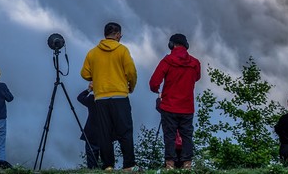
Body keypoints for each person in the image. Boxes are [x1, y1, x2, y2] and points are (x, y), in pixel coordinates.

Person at [80, 22, 137, 170]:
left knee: (104, 133)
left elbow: (84, 74)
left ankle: (108, 166)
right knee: (125, 131)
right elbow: (131, 72)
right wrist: (131, 86)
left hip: (100, 98)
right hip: (120, 95)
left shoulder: (92, 53)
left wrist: (98, 76)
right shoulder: (122, 50)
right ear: (118, 35)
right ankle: (128, 166)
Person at [148, 33, 201, 170]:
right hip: (187, 106)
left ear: (171, 45)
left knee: (170, 136)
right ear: (186, 46)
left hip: (169, 106)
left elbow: (154, 83)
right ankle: (187, 164)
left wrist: (157, 91)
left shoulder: (167, 61)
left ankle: (170, 164)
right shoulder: (195, 63)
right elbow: (197, 78)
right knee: (187, 136)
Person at [76, 82, 100, 169]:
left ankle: (92, 170)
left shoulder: (92, 99)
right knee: (107, 158)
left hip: (91, 132)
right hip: (105, 132)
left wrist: (89, 89)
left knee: (91, 158)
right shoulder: (108, 100)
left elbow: (80, 98)